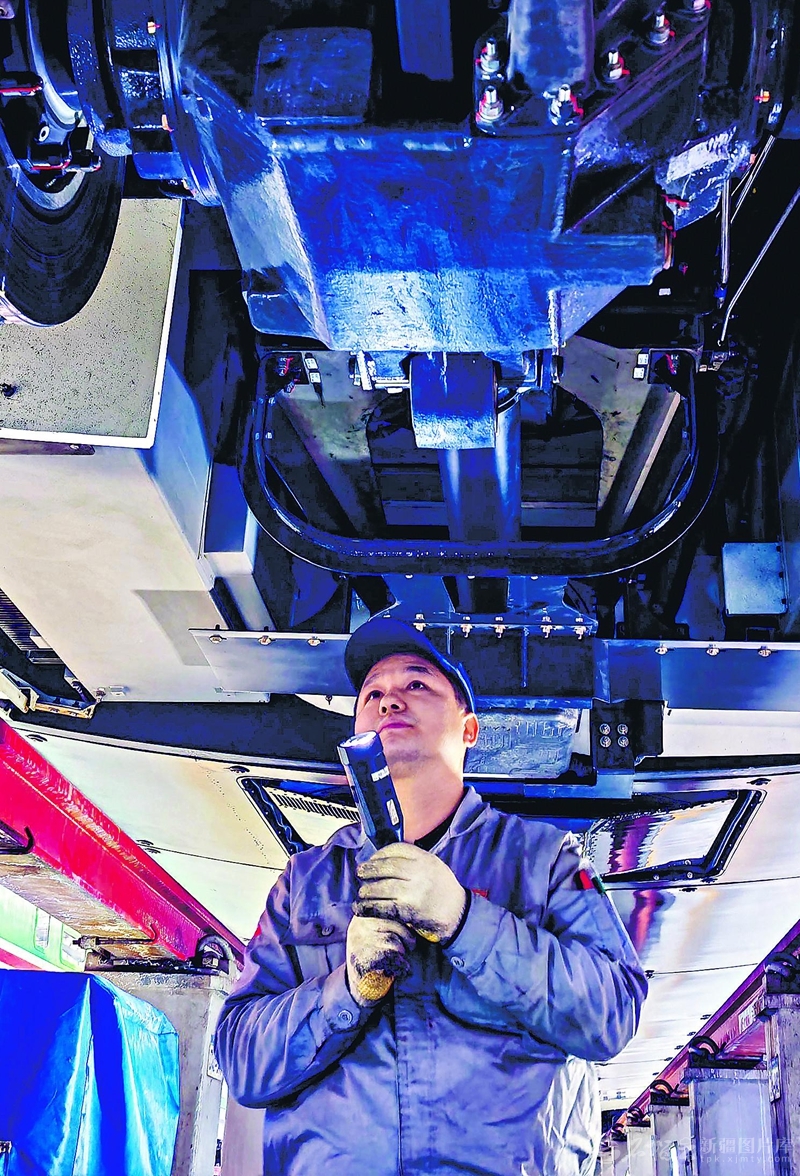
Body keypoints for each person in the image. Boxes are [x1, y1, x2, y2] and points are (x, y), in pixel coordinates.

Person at [215, 617, 647, 1176]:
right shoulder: (305, 882)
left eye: (416, 683)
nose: (389, 700)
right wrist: (346, 990)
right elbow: (242, 1064)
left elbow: (610, 1015)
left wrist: (466, 921)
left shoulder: (543, 860)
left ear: (470, 729)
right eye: (372, 694)